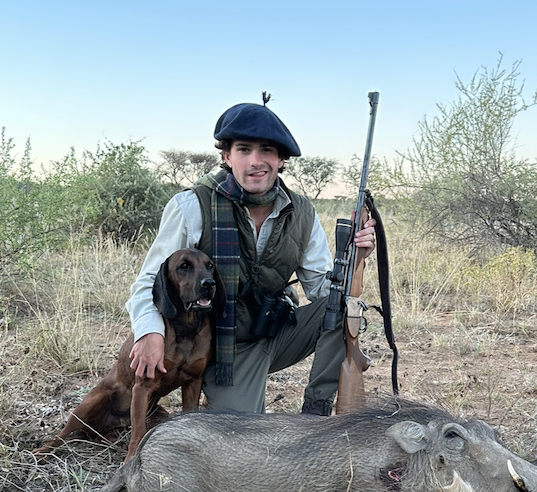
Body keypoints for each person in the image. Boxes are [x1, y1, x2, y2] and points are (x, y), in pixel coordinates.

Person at [126, 100, 375, 415]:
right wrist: (149, 332)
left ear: (281, 159)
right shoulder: (191, 206)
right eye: (244, 150)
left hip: (275, 329)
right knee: (239, 437)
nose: (256, 161)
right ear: (227, 157)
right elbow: (150, 279)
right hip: (220, 347)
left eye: (267, 151)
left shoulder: (302, 212)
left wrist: (357, 258)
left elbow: (323, 290)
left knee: (340, 305)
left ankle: (316, 411)